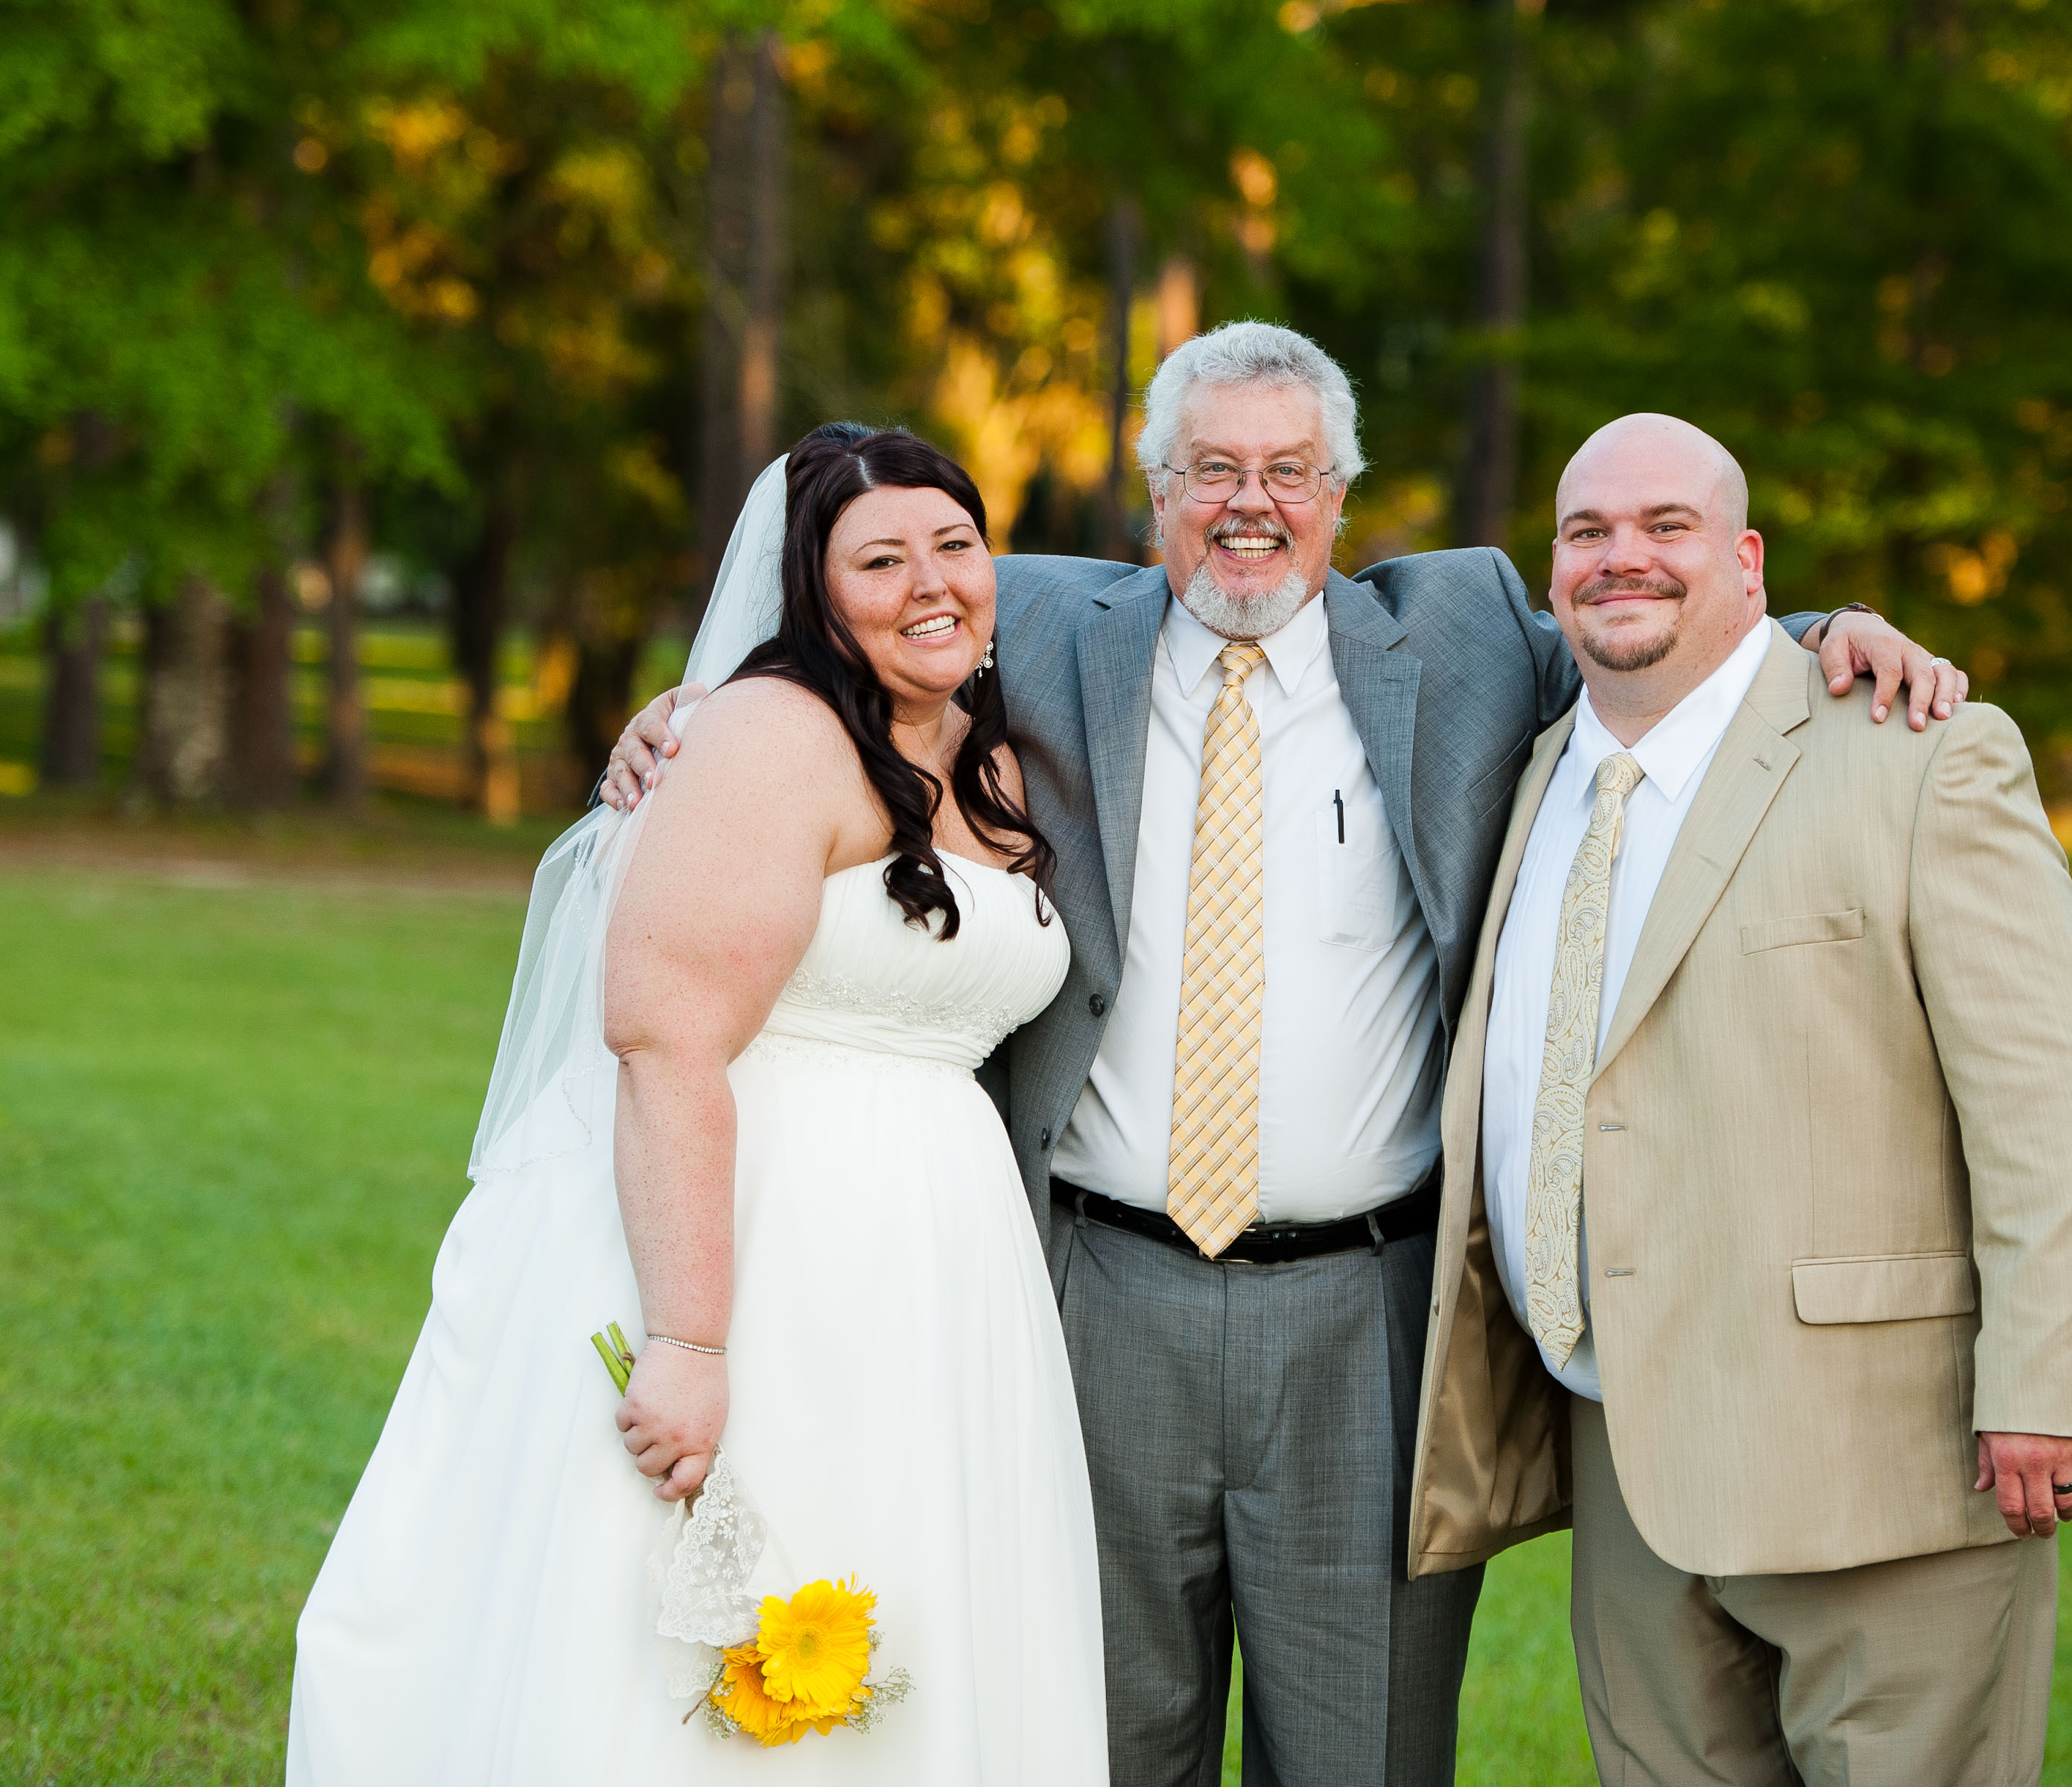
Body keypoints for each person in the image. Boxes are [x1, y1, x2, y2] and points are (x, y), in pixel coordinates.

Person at [601, 325, 1969, 1787]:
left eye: (1290, 472)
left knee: (1360, 1755)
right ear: (1156, 494)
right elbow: (853, 643)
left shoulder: (1462, 636)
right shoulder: (1038, 622)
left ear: (1340, 495)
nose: (1249, 504)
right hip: (1092, 1304)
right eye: (1211, 470)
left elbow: (1652, 624)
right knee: (1096, 1741)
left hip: (1366, 1320)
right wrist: (692, 720)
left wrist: (1831, 628)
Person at [290, 427, 1110, 1785]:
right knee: (705, 1640)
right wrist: (688, 1339)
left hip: (943, 1267)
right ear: (809, 589)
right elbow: (663, 1034)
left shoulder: (992, 753)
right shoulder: (771, 736)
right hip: (760, 1239)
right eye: (879, 560)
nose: (930, 583)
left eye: (956, 545)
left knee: (917, 1598)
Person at [1407, 412, 2072, 1786]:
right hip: (1627, 1453)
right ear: (1550, 576)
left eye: (1665, 526)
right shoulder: (1539, 771)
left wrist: (2044, 1380)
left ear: (1747, 562)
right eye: (1587, 531)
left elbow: (2051, 1095)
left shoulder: (1921, 751)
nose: (1623, 556)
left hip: (1883, 1456)